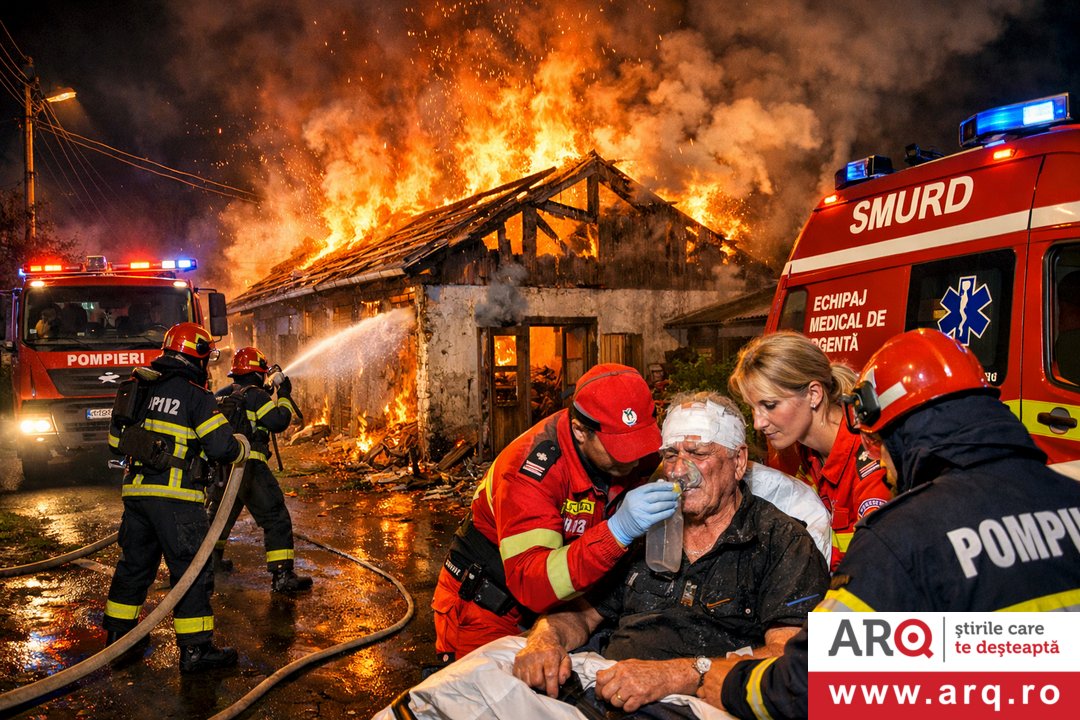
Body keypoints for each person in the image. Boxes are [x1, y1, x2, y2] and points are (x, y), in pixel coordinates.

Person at [702, 329, 1080, 719]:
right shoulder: (1066, 496)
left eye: (879, 442)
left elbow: (810, 684)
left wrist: (731, 684)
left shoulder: (902, 525)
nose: (879, 457)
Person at [511, 392, 829, 717]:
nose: (678, 470)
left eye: (697, 453)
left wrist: (674, 675)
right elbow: (582, 614)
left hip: (698, 704)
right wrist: (545, 639)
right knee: (486, 672)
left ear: (738, 461)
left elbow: (790, 658)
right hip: (604, 690)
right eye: (670, 455)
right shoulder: (644, 528)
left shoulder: (780, 540)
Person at [432, 363, 680, 661]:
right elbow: (533, 584)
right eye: (620, 448)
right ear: (580, 431)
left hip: (570, 600)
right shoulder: (528, 473)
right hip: (491, 608)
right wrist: (617, 532)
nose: (635, 459)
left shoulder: (630, 454)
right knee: (486, 684)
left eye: (639, 440)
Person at [103, 322, 250, 673]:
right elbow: (221, 448)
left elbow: (115, 443)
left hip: (137, 496)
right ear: (196, 356)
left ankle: (118, 643)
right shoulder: (195, 395)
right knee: (191, 571)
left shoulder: (139, 386)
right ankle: (196, 650)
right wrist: (241, 447)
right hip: (176, 500)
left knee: (134, 568)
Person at [729, 331, 891, 570]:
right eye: (753, 408)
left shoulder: (873, 463)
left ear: (814, 394)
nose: (758, 423)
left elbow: (876, 568)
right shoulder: (805, 452)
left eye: (770, 405)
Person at [205, 346, 312, 594]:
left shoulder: (221, 395)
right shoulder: (256, 396)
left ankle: (212, 565)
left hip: (223, 469)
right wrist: (283, 395)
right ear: (257, 373)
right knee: (276, 517)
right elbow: (278, 421)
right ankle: (282, 576)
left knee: (219, 519)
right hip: (250, 468)